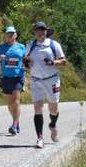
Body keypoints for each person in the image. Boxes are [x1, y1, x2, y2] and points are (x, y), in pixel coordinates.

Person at [22, 21, 66, 149]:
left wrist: (53, 62)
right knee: (37, 109)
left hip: (52, 80)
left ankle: (52, 124)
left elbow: (64, 61)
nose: (40, 32)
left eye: (42, 30)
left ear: (46, 31)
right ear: (34, 32)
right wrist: (27, 63)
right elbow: (26, 60)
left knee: (53, 109)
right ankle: (40, 138)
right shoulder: (30, 45)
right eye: (37, 30)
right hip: (36, 80)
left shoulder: (54, 44)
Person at [0, 26, 26, 135]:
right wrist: (0, 58)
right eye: (8, 34)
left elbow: (27, 59)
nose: (10, 36)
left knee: (16, 101)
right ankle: (16, 122)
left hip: (18, 76)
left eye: (12, 34)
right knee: (10, 103)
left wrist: (25, 65)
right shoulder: (1, 48)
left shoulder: (21, 47)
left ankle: (14, 123)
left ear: (16, 35)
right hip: (6, 77)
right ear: (5, 35)